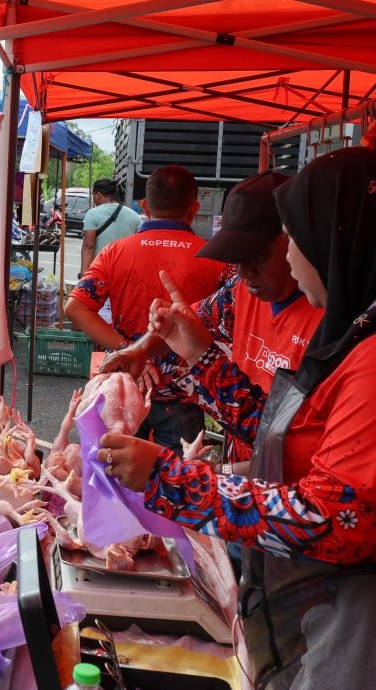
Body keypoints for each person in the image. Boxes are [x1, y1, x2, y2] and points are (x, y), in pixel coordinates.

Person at [98, 146, 376, 689]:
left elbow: (334, 519)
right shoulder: (344, 332)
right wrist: (198, 356)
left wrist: (173, 481)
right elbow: (281, 439)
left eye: (295, 239)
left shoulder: (369, 360)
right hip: (297, 607)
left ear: (336, 238)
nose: (292, 259)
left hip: (348, 629)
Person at [101, 170, 324, 470]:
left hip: (282, 484)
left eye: (257, 257)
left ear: (296, 241)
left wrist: (218, 475)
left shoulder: (333, 325)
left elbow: (298, 446)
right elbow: (185, 323)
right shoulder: (239, 292)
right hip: (242, 465)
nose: (244, 273)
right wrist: (140, 350)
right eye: (237, 259)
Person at [65, 164, 225, 454]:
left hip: (125, 389)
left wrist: (128, 348)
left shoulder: (115, 252)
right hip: (185, 394)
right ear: (193, 209)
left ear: (144, 206)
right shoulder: (213, 258)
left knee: (115, 478)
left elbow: (76, 308)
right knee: (178, 483)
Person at [79, 177, 141, 277]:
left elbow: (89, 246)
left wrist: (83, 275)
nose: (93, 200)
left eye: (93, 196)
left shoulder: (92, 214)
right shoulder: (134, 215)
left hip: (100, 271)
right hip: (125, 273)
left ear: (98, 195)